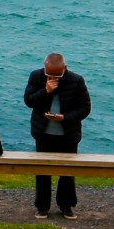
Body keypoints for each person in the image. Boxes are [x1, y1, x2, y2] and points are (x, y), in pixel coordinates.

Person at [24, 52, 91, 218]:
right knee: (42, 171)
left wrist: (65, 118)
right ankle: (42, 206)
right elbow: (28, 101)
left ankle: (66, 205)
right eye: (49, 74)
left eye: (57, 74)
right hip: (43, 132)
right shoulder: (36, 76)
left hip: (68, 135)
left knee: (67, 172)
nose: (53, 77)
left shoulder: (76, 80)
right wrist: (45, 91)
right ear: (44, 68)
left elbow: (85, 108)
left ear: (65, 69)